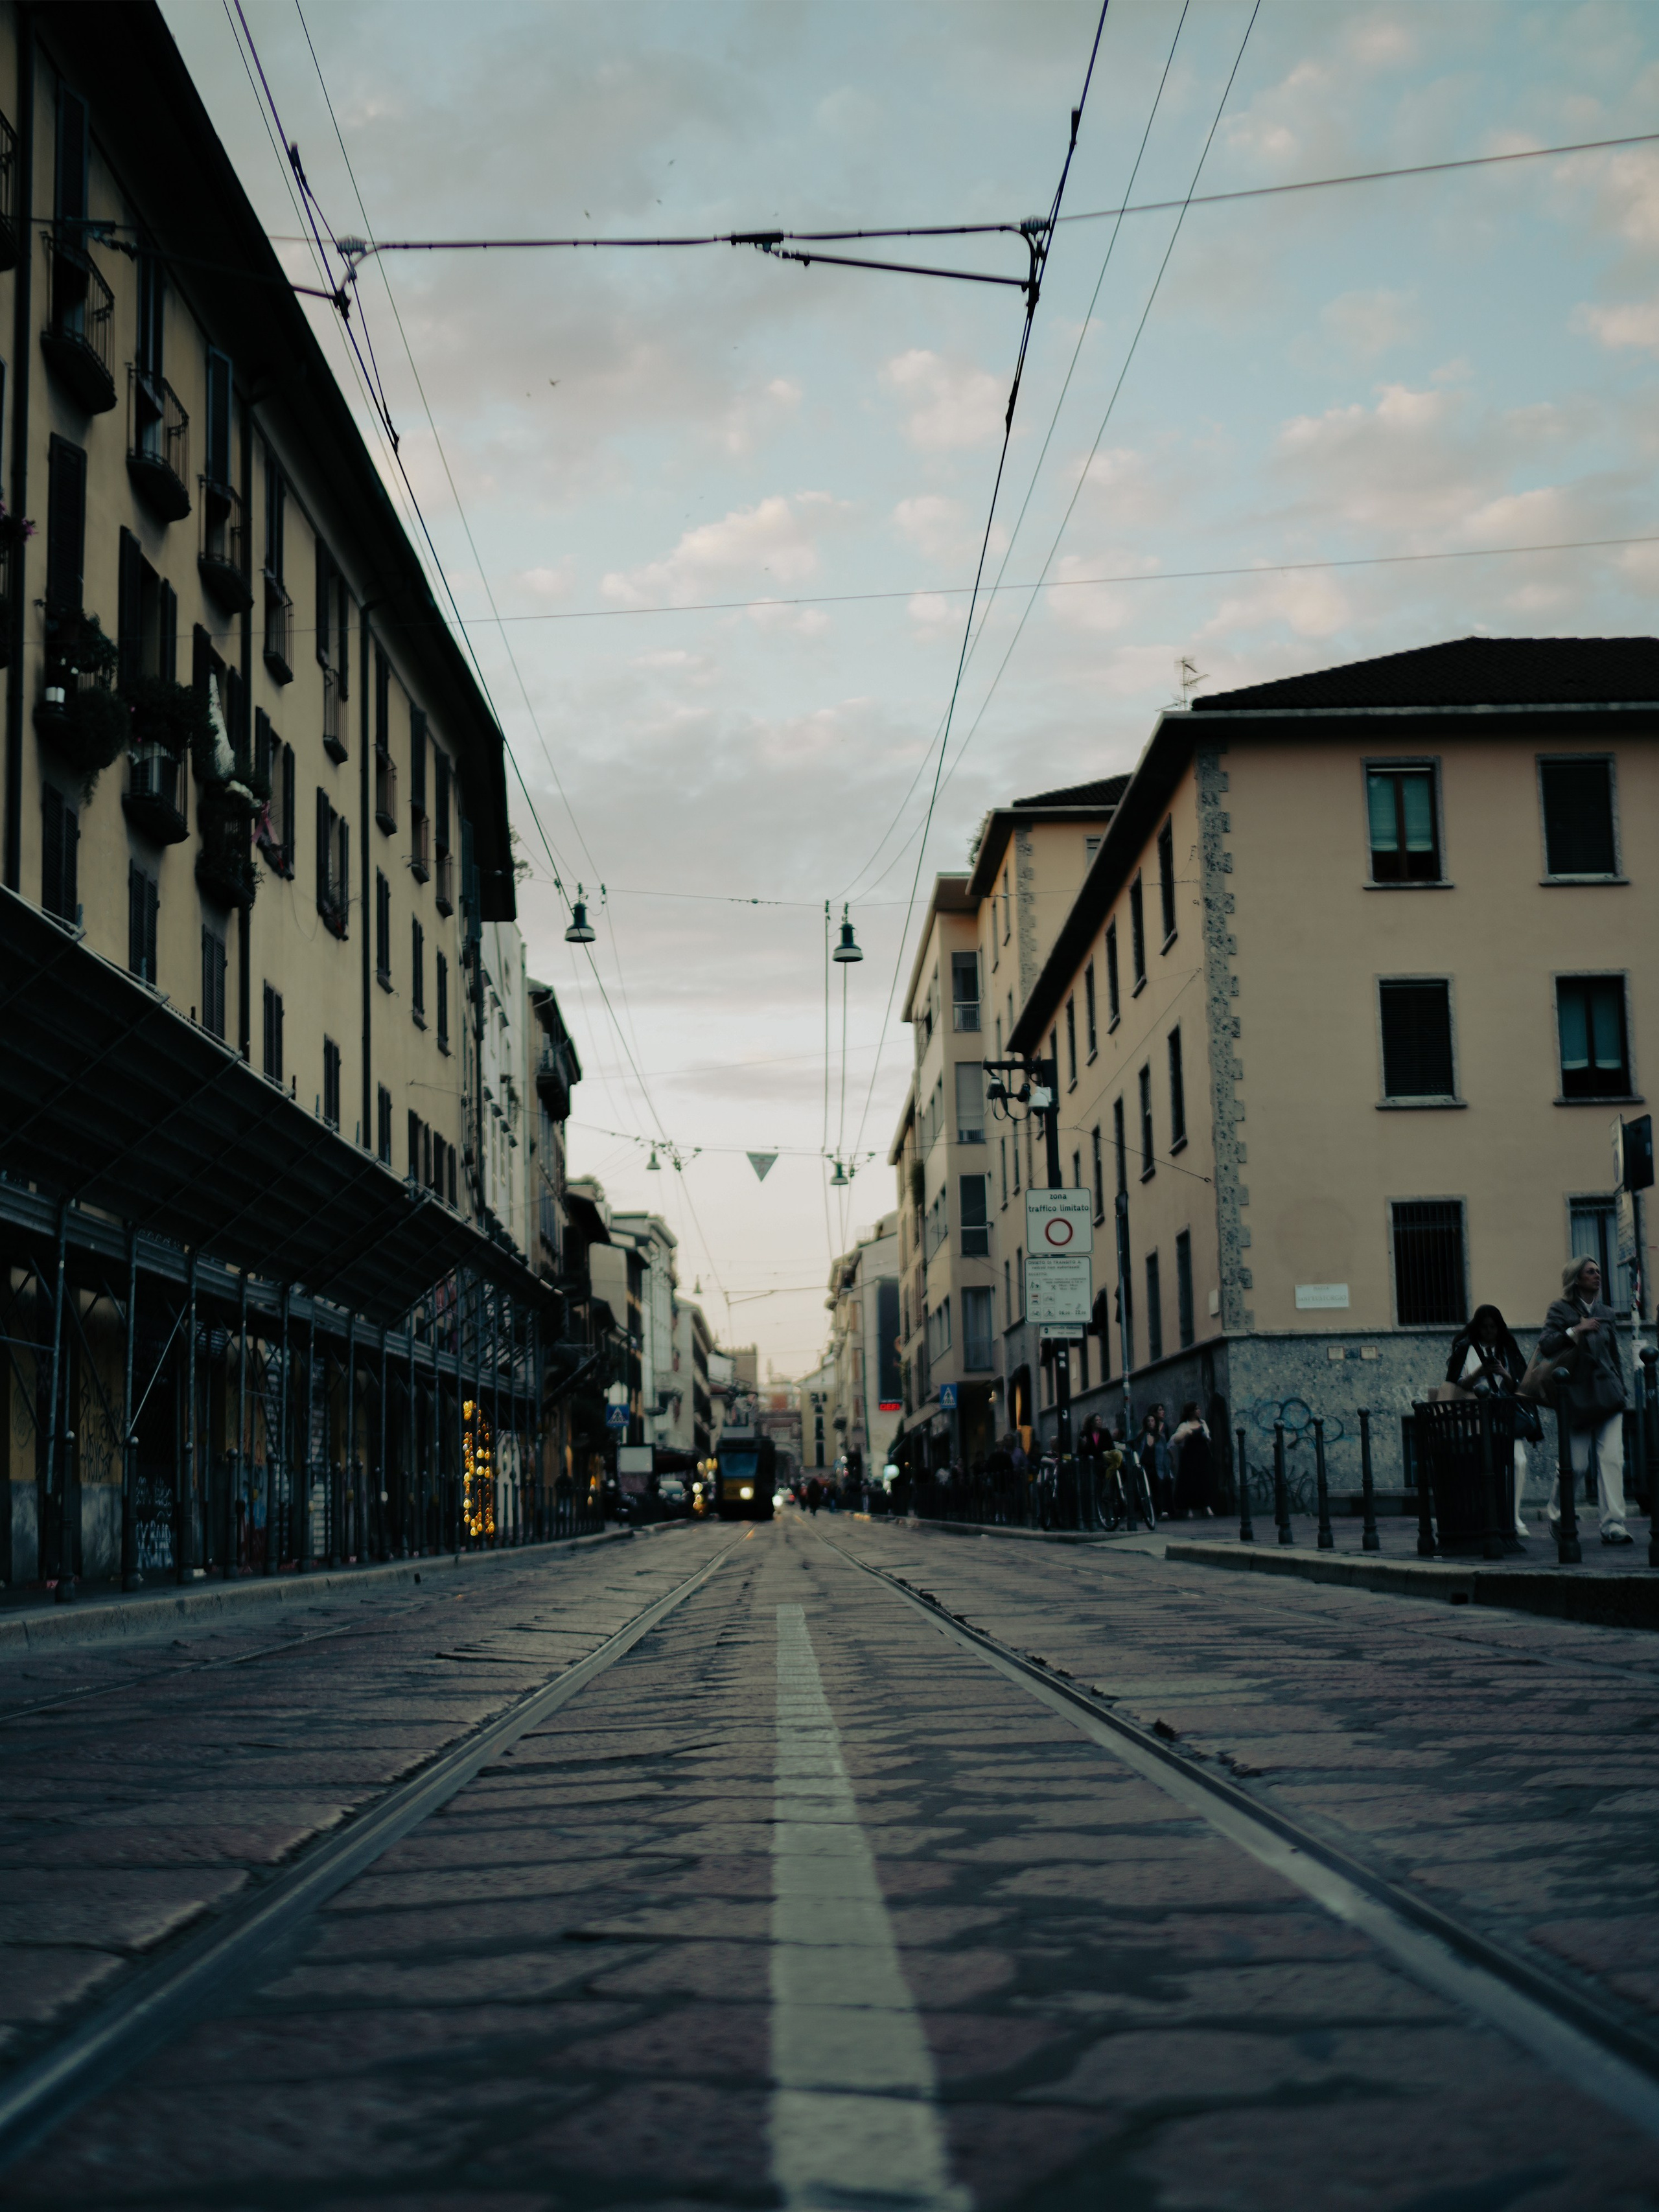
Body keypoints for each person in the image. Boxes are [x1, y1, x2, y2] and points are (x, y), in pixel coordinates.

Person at [1538, 1257, 1632, 1546]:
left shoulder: (1606, 1312)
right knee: (1576, 1465)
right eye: (1591, 1272)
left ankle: (1613, 1524)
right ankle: (1556, 1510)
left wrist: (1621, 1387)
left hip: (1607, 1393)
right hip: (1577, 1396)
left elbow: (1613, 1353)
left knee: (1612, 1458)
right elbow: (1546, 1344)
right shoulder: (1560, 1308)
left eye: (1599, 1272)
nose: (1598, 1276)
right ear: (1576, 1279)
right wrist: (1577, 1329)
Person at [1446, 1304, 1530, 1536]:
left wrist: (1503, 1373)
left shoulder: (1508, 1349)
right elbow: (1454, 1384)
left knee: (1518, 1460)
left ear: (1500, 1327)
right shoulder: (1466, 1348)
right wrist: (1478, 1374)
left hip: (1504, 1414)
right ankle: (1485, 1517)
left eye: (1493, 1327)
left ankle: (1513, 1518)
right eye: (1484, 1327)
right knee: (1480, 1465)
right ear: (1477, 1328)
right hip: (1473, 1417)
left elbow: (1519, 1387)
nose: (1489, 1332)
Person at [1171, 1403, 1214, 1517]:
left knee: (1205, 1479)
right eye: (1197, 1409)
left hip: (1203, 1455)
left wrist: (1207, 1437)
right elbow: (1176, 1439)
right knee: (1189, 1481)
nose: (1199, 1411)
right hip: (1190, 1457)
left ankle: (1206, 1505)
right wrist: (1186, 1432)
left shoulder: (1202, 1423)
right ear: (1191, 1411)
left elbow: (1208, 1436)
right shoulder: (1185, 1425)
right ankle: (1189, 1508)